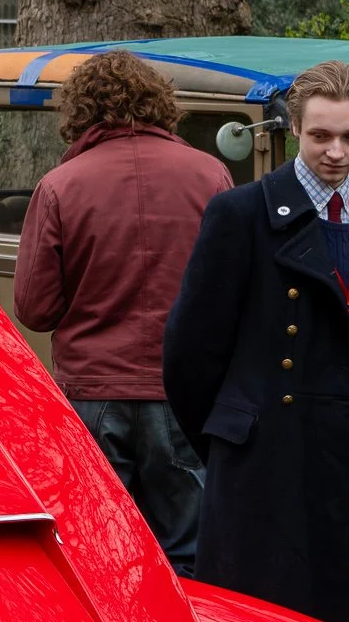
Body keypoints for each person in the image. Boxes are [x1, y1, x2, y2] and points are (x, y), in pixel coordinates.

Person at [163, 60, 349, 622]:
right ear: (293, 129)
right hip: (265, 469)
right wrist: (236, 442)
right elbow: (190, 354)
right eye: (320, 136)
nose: (335, 152)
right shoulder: (242, 215)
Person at [12, 50, 229, 573]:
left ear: (80, 111)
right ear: (161, 103)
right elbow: (232, 293)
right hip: (183, 392)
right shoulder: (211, 175)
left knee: (99, 555)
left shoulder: (61, 186)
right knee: (191, 553)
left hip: (93, 393)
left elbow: (35, 309)